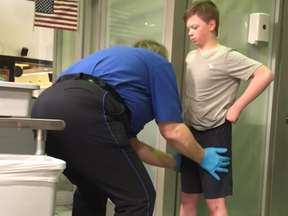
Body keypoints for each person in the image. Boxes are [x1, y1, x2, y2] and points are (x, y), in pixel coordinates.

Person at [31, 39, 230, 216]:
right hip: (87, 107)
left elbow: (127, 145)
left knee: (91, 189)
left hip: (44, 108)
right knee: (138, 199)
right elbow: (173, 130)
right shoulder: (158, 63)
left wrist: (172, 162)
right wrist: (203, 157)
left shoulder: (116, 67)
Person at [178, 1, 274, 216]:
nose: (190, 33)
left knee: (215, 203)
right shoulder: (191, 57)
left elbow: (265, 74)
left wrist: (237, 107)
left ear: (211, 25)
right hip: (190, 132)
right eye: (188, 29)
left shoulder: (227, 56)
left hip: (215, 134)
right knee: (187, 197)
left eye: (195, 27)